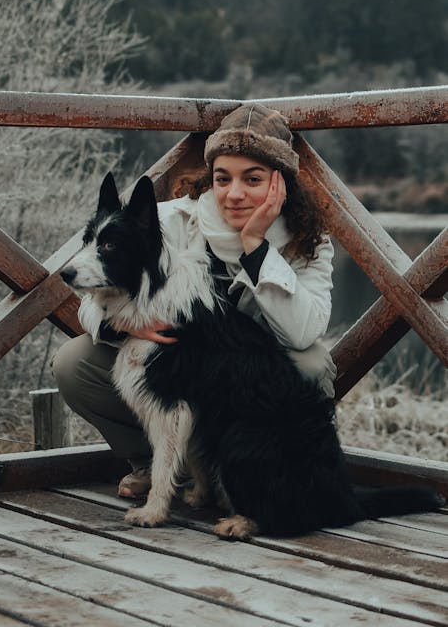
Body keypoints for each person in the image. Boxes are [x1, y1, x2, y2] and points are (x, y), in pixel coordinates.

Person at [52, 104, 336, 499]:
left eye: (252, 179)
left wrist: (256, 247)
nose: (234, 194)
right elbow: (92, 298)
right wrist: (125, 322)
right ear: (211, 178)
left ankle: (277, 474)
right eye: (223, 178)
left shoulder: (309, 242)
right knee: (74, 363)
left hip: (249, 383)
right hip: (176, 366)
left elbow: (303, 333)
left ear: (280, 183)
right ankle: (155, 463)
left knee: (312, 365)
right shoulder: (170, 222)